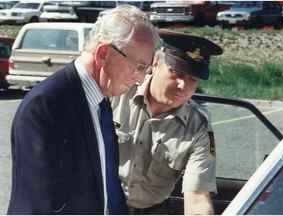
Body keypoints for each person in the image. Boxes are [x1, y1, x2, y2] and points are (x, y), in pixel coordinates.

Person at [7, 5, 158, 215]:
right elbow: (40, 206)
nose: (140, 79)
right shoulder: (45, 106)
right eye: (139, 66)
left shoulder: (101, 99)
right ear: (104, 54)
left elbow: (108, 189)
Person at [111, 30, 223, 215]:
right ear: (155, 64)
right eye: (176, 72)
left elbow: (197, 196)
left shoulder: (199, 127)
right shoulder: (117, 94)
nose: (182, 85)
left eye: (192, 78)